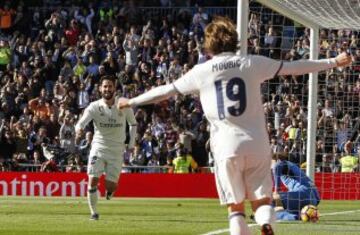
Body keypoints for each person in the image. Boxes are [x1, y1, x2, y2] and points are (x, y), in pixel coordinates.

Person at [117, 16, 352, 235]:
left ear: (208, 46)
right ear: (235, 41)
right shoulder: (251, 62)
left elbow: (165, 91)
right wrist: (333, 61)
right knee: (262, 202)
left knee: (236, 209)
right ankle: (267, 223)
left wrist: (132, 101)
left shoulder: (201, 71)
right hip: (257, 143)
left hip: (226, 147)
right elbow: (294, 67)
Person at [75, 75, 137, 220]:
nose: (107, 89)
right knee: (92, 180)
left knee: (111, 187)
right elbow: (81, 123)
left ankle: (109, 192)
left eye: (110, 86)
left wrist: (131, 143)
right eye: (105, 86)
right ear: (100, 89)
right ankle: (94, 213)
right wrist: (78, 130)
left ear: (115, 88)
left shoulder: (123, 104)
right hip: (99, 147)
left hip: (116, 150)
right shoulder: (94, 106)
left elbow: (133, 124)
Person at [272, 153, 320, 221]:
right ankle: (297, 216)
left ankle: (286, 216)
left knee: (268, 200)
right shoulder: (293, 167)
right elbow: (318, 199)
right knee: (287, 208)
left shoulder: (282, 163)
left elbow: (277, 166)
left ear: (277, 160)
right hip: (313, 201)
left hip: (302, 194)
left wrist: (276, 191)